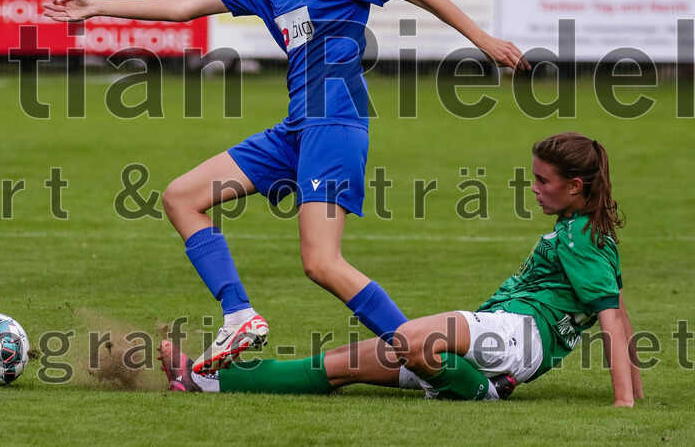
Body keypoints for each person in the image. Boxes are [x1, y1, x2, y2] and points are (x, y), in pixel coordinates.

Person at [44, 0, 530, 374]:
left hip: (335, 124)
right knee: (181, 197)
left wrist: (485, 41)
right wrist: (100, 6)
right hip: (296, 131)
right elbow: (183, 8)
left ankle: (439, 367)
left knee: (322, 263)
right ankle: (240, 315)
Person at [158, 132, 642, 408]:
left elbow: (612, 321)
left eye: (543, 180)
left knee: (407, 340)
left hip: (518, 337)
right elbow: (618, 304)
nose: (533, 187)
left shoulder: (582, 236)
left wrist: (623, 402)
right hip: (504, 345)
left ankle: (479, 389)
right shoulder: (589, 231)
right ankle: (203, 380)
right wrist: (637, 390)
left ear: (575, 186)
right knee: (336, 367)